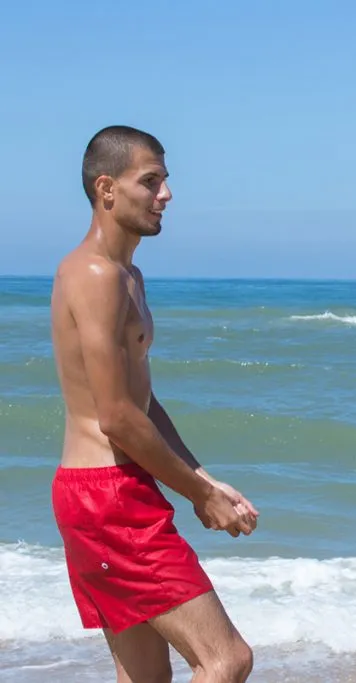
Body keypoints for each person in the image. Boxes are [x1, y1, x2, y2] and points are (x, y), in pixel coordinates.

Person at [50, 125, 259, 683]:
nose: (165, 194)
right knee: (226, 659)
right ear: (107, 189)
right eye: (151, 181)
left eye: (165, 180)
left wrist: (203, 479)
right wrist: (198, 495)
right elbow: (117, 417)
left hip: (106, 493)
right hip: (106, 499)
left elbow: (142, 400)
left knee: (147, 677)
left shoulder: (128, 276)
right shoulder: (95, 275)